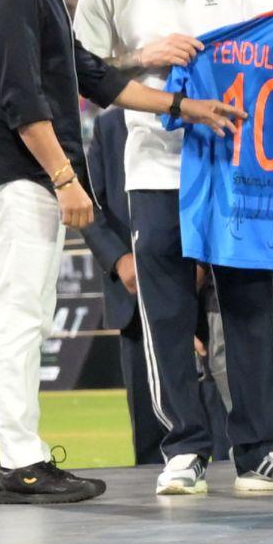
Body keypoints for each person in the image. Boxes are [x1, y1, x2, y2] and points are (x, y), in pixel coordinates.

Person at [0, 0, 243, 505]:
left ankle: (23, 455)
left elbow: (94, 77)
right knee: (18, 317)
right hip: (15, 174)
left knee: (27, 314)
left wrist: (185, 107)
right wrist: (64, 176)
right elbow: (21, 98)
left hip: (22, 174)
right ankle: (19, 460)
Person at [75, 0, 273, 495]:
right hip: (156, 162)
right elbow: (82, 71)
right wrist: (143, 56)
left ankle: (263, 449)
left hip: (237, 160)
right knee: (165, 307)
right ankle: (183, 447)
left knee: (248, 302)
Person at [79, 108, 169, 465]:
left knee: (222, 431)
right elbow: (90, 203)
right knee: (148, 443)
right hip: (133, 300)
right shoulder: (110, 124)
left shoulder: (196, 106)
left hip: (204, 297)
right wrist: (119, 260)